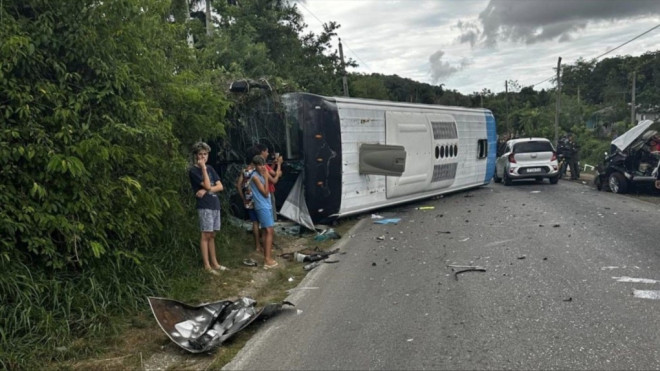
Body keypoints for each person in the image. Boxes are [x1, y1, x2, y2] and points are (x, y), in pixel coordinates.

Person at [188, 142, 227, 275]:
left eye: (205, 154)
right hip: (204, 206)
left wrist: (205, 190)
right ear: (196, 156)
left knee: (212, 234)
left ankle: (215, 263)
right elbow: (207, 184)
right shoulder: (194, 170)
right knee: (205, 234)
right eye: (200, 154)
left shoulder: (211, 168)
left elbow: (220, 186)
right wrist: (203, 169)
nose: (203, 157)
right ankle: (207, 265)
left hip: (214, 203)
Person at [249, 155, 278, 269]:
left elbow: (274, 179)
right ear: (255, 166)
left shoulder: (261, 174)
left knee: (267, 231)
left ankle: (268, 256)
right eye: (259, 165)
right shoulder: (255, 177)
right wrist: (266, 177)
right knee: (269, 230)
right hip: (261, 206)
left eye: (263, 165)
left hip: (267, 205)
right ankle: (267, 259)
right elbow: (265, 193)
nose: (262, 167)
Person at [236, 146, 261, 253]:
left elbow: (238, 185)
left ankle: (257, 246)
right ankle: (266, 244)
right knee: (263, 222)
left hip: (248, 199)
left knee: (254, 222)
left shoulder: (245, 170)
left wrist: (243, 197)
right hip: (259, 199)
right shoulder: (259, 170)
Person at [255, 143, 283, 221]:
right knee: (271, 215)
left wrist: (274, 165)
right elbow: (274, 178)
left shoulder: (258, 165)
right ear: (262, 152)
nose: (267, 154)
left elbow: (269, 172)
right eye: (266, 152)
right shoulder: (263, 165)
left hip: (261, 192)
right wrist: (279, 164)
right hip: (268, 191)